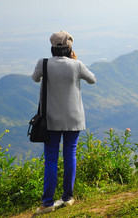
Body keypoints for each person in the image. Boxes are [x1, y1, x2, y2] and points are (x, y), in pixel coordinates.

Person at [32, 31, 96, 214]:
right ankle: (67, 198)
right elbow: (92, 79)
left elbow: (34, 78)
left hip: (50, 120)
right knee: (70, 156)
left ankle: (47, 203)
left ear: (52, 48)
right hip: (73, 119)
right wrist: (75, 60)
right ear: (70, 49)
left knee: (51, 159)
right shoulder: (76, 65)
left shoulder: (43, 64)